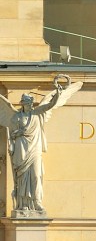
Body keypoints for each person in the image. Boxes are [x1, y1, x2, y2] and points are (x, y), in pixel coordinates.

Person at [0, 75, 82, 216]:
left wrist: (57, 91)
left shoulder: (38, 113)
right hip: (21, 150)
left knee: (37, 175)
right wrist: (17, 134)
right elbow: (12, 135)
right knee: (21, 178)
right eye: (27, 102)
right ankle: (23, 204)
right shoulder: (16, 117)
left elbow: (51, 104)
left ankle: (37, 202)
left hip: (35, 149)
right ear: (23, 103)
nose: (30, 104)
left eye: (30, 102)